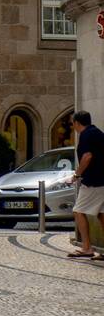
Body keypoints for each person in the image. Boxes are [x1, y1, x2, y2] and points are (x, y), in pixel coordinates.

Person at [66, 110, 104, 259]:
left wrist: (76, 175)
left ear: (76, 123)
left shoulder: (86, 135)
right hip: (102, 180)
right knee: (101, 215)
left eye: (72, 123)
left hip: (94, 181)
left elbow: (87, 156)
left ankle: (86, 247)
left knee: (78, 211)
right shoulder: (98, 133)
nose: (73, 126)